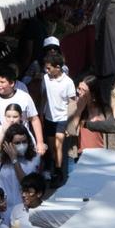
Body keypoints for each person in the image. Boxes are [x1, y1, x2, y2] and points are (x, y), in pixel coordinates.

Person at [0, 112, 44, 217]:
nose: (21, 145)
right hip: (4, 210)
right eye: (17, 143)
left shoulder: (35, 159)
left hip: (25, 210)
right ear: (8, 143)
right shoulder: (0, 160)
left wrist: (14, 160)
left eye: (24, 142)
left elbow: (27, 184)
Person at [39, 52, 78, 182]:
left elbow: (72, 103)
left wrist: (70, 124)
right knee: (51, 147)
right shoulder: (45, 78)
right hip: (49, 118)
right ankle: (52, 166)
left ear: (58, 67)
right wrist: (41, 113)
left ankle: (58, 171)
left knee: (58, 145)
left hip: (62, 118)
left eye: (49, 68)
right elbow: (44, 95)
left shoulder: (68, 82)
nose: (47, 70)